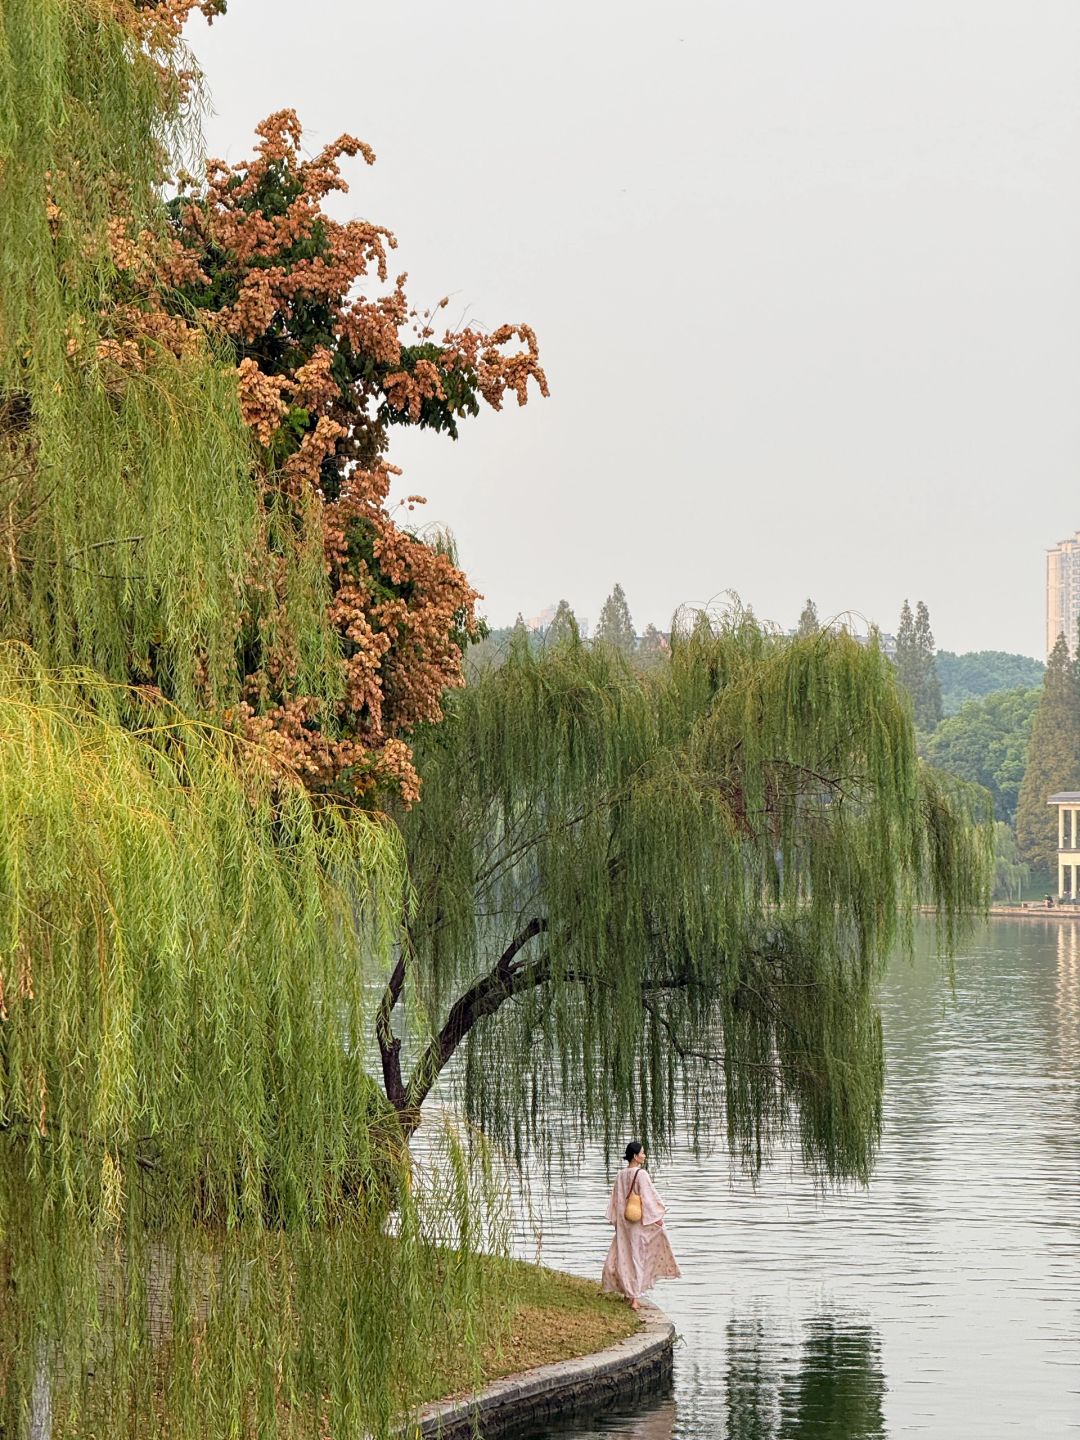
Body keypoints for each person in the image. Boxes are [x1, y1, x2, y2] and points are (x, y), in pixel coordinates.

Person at [601, 1141, 680, 1310]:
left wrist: (616, 1221)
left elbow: (615, 1199)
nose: (644, 1155)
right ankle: (634, 1298)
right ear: (635, 1156)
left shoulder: (620, 1175)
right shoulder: (641, 1174)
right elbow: (648, 1197)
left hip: (623, 1221)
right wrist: (657, 1217)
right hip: (636, 1221)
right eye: (642, 1153)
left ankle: (626, 1292)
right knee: (637, 1256)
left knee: (624, 1256)